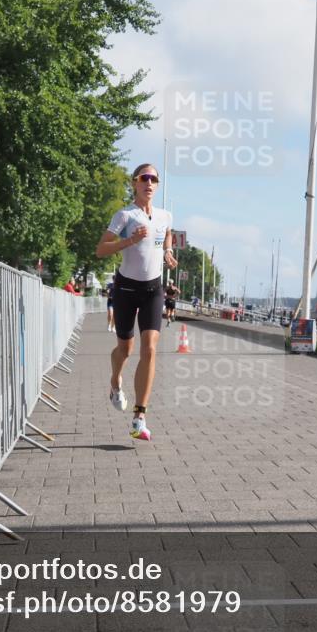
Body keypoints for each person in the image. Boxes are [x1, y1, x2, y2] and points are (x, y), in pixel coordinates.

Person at [95, 163, 177, 441]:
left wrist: (167, 251)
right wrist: (129, 241)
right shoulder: (125, 215)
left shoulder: (165, 215)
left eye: (154, 179)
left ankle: (139, 417)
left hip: (153, 289)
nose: (149, 183)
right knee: (125, 349)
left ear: (158, 184)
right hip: (126, 289)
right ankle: (115, 381)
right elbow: (100, 249)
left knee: (150, 349)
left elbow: (166, 232)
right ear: (134, 183)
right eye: (144, 178)